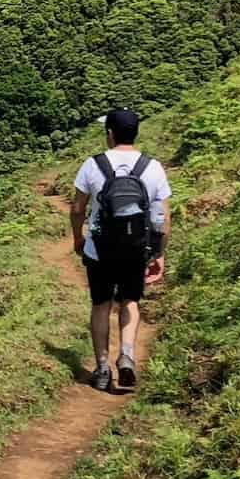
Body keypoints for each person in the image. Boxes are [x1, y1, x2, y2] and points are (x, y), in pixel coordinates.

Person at [70, 108, 171, 392]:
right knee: (130, 302)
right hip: (136, 249)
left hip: (99, 250)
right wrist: (158, 252)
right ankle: (126, 354)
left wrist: (78, 238)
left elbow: (78, 209)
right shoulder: (152, 167)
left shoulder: (93, 165)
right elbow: (162, 215)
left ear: (110, 133)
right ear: (136, 133)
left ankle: (102, 368)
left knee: (100, 305)